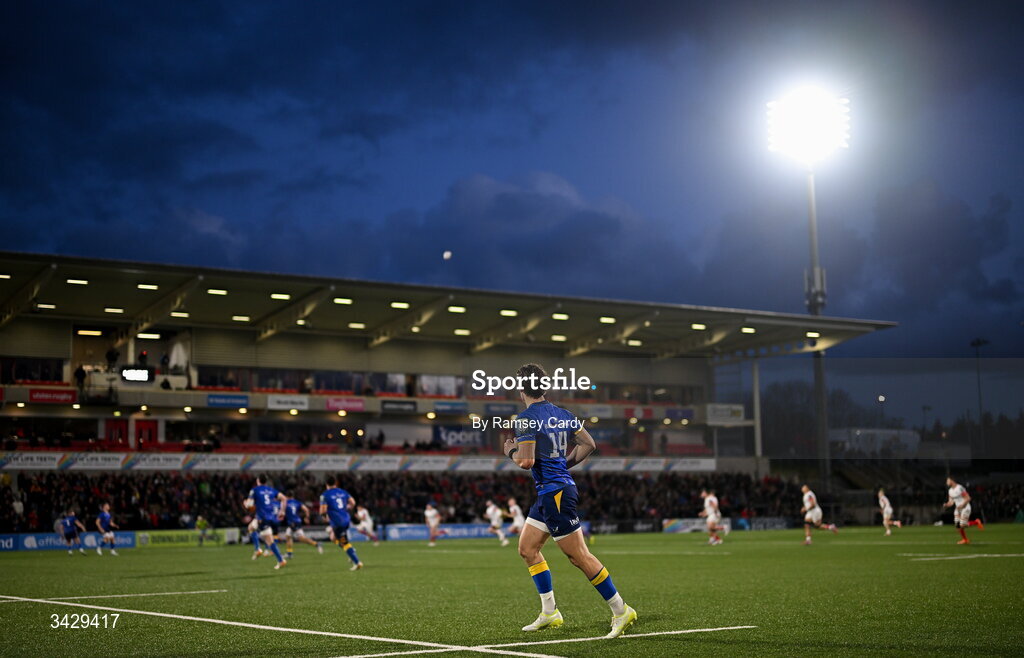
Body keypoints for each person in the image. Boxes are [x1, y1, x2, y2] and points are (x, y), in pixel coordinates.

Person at [504, 363, 637, 639]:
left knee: (579, 556)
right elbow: (589, 444)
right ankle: (550, 612)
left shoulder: (526, 418)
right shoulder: (563, 414)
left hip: (556, 494)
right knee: (528, 549)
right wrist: (562, 466)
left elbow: (526, 461)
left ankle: (621, 610)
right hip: (549, 493)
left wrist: (510, 451)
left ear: (521, 388)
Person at [319, 475, 363, 571]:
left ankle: (357, 562)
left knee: (344, 542)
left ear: (326, 484)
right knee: (333, 537)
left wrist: (324, 517)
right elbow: (353, 502)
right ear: (336, 483)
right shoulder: (343, 492)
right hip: (346, 519)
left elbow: (322, 511)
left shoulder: (325, 495)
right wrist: (346, 508)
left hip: (337, 522)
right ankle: (351, 550)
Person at [244, 474, 288, 569]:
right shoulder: (271, 490)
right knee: (251, 527)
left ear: (258, 481)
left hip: (262, 518)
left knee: (269, 541)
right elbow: (284, 498)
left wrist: (245, 504)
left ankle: (279, 559)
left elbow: (249, 505)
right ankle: (259, 550)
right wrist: (282, 511)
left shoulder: (254, 490)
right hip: (271, 517)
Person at [944, 477, 984, 544]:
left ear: (952, 480)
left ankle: (976, 522)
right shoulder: (950, 491)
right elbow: (951, 502)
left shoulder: (960, 488)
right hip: (958, 509)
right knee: (958, 527)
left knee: (962, 525)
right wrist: (947, 505)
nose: (946, 482)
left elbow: (968, 498)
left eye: (948, 480)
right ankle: (965, 540)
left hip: (965, 507)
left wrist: (962, 505)